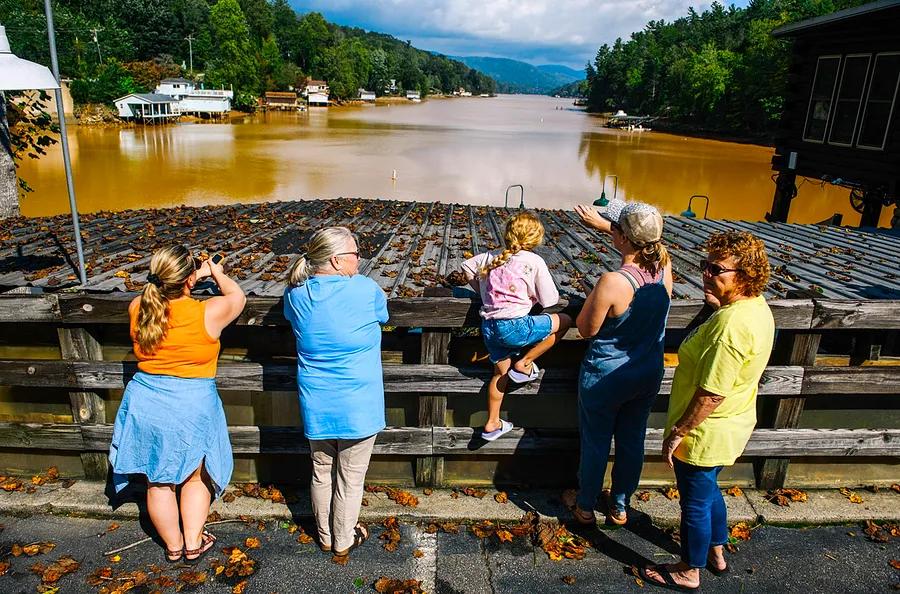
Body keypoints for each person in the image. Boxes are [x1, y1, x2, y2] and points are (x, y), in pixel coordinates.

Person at [640, 230, 774, 592]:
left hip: (706, 431)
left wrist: (678, 432)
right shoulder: (753, 307)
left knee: (694, 503)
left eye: (717, 269)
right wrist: (719, 305)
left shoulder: (731, 328)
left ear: (744, 276)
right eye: (705, 265)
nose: (706, 274)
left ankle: (689, 570)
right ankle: (717, 553)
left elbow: (712, 393)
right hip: (733, 422)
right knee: (709, 490)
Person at [109, 246, 246, 564]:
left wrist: (190, 276)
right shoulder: (207, 312)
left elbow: (163, 297)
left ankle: (173, 547)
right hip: (190, 405)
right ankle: (193, 544)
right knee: (193, 478)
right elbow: (236, 297)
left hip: (146, 401)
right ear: (186, 279)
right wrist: (216, 273)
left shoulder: (138, 306)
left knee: (158, 482)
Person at [283, 227, 388, 559]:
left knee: (321, 470)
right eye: (356, 254)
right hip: (359, 403)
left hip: (317, 401)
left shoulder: (296, 295)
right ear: (336, 259)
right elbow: (383, 316)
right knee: (350, 478)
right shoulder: (365, 289)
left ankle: (325, 535)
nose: (360, 260)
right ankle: (343, 540)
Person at [565, 200, 672, 525]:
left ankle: (585, 506)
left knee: (596, 441)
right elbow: (648, 246)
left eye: (616, 227)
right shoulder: (664, 269)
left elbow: (586, 329)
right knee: (632, 440)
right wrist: (605, 226)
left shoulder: (613, 281)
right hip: (647, 374)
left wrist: (591, 298)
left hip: (606, 377)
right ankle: (620, 506)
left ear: (623, 238)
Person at [461, 211, 572, 441]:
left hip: (490, 328)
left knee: (499, 374)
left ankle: (492, 422)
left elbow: (466, 267)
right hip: (516, 326)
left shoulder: (491, 256)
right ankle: (525, 363)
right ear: (535, 240)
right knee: (565, 321)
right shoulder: (534, 261)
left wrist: (483, 291)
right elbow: (550, 301)